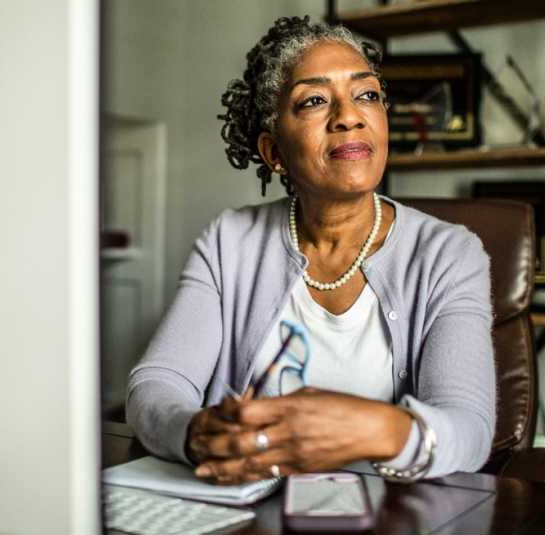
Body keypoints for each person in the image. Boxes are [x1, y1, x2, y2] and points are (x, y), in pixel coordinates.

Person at [126, 16, 495, 484]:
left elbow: (471, 431)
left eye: (367, 95)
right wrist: (195, 432)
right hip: (247, 511)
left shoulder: (449, 254)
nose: (349, 115)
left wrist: (374, 427)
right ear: (274, 152)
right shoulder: (229, 242)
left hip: (394, 515)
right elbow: (154, 386)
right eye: (315, 100)